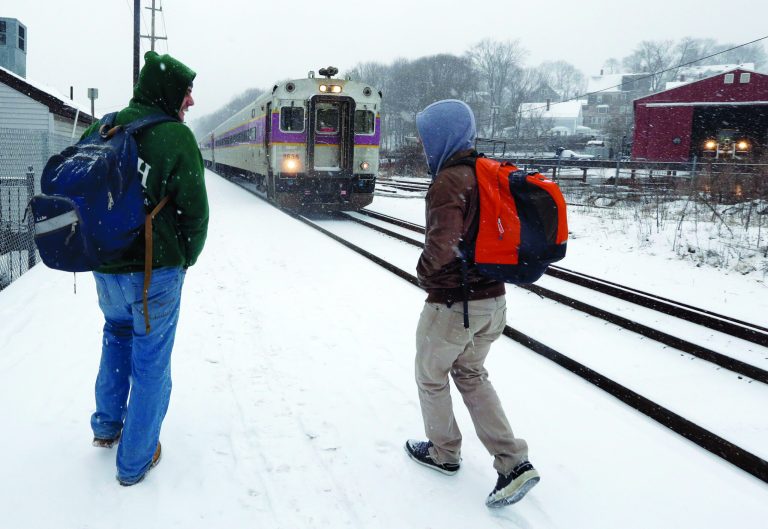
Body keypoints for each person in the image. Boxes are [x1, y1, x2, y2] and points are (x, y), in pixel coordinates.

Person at [404, 99, 539, 508]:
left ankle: (444, 453)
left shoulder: (449, 180)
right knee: (472, 374)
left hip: (453, 306)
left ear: (441, 136)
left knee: (431, 376)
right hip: (493, 302)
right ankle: (514, 461)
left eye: (427, 136)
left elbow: (440, 246)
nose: (425, 145)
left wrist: (425, 275)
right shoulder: (488, 173)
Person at [84, 51, 209, 486]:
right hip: (155, 273)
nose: (190, 101)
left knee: (115, 338)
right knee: (151, 361)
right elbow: (195, 213)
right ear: (168, 91)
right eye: (186, 91)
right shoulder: (176, 138)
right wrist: (185, 259)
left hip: (105, 268)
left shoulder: (104, 127)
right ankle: (135, 460)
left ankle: (105, 428)